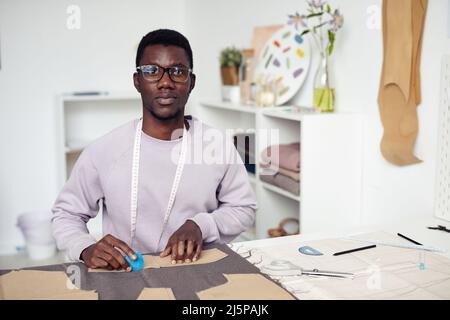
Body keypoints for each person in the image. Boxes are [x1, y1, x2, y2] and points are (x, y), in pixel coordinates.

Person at [51, 29, 257, 271]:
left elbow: (244, 209)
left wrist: (202, 225)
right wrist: (84, 247)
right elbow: (66, 214)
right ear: (137, 81)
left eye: (178, 71)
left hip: (197, 272)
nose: (166, 82)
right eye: (152, 71)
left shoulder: (216, 145)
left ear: (191, 82)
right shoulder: (104, 150)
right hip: (123, 276)